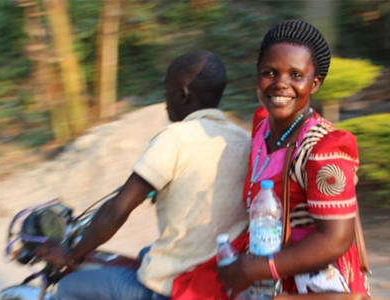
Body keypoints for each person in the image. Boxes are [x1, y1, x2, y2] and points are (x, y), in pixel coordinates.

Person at [171, 20, 369, 299]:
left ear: (315, 83)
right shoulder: (263, 124)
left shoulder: (325, 148)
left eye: (296, 75)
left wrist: (256, 270)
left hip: (310, 282)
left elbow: (335, 240)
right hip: (261, 261)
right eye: (270, 72)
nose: (280, 84)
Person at [35, 50, 251, 300]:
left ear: (182, 94)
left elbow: (116, 212)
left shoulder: (175, 138)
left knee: (69, 286)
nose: (164, 100)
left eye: (166, 91)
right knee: (144, 254)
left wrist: (71, 255)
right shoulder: (244, 139)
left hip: (174, 288)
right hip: (220, 282)